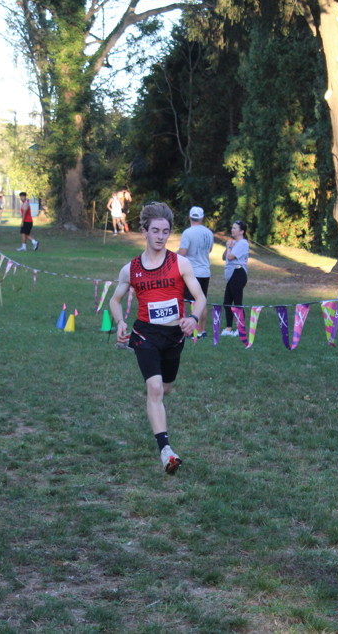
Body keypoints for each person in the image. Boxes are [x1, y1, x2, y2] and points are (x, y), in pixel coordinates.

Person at [108, 202, 207, 474]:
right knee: (154, 389)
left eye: (165, 231)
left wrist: (193, 318)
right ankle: (166, 451)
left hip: (174, 336)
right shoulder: (131, 269)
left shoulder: (180, 263)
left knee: (165, 388)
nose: (161, 236)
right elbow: (115, 300)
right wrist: (120, 322)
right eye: (155, 231)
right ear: (144, 231)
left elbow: (200, 297)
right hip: (145, 334)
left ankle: (158, 416)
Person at [177, 206, 213, 335]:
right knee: (201, 300)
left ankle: (191, 330)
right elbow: (209, 250)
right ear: (202, 218)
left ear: (189, 217)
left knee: (190, 301)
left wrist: (171, 257)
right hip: (205, 271)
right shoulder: (209, 233)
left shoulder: (188, 232)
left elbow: (183, 252)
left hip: (192, 272)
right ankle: (201, 330)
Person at [220, 220, 249, 337]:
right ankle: (228, 328)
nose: (232, 230)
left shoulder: (243, 243)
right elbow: (224, 257)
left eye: (235, 228)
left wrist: (230, 248)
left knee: (237, 302)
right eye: (232, 228)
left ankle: (240, 328)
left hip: (238, 273)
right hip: (231, 275)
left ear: (241, 231)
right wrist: (228, 246)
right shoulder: (234, 243)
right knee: (227, 302)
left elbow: (231, 257)